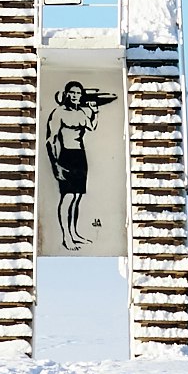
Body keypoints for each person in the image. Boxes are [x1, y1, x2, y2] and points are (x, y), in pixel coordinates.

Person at [42, 78, 118, 251]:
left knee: (77, 197)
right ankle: (66, 237)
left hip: (80, 156)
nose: (76, 96)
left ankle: (74, 232)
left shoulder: (82, 113)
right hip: (66, 156)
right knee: (67, 197)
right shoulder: (58, 112)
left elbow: (91, 127)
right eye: (73, 93)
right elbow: (50, 139)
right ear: (66, 94)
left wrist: (95, 112)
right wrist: (55, 164)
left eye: (78, 93)